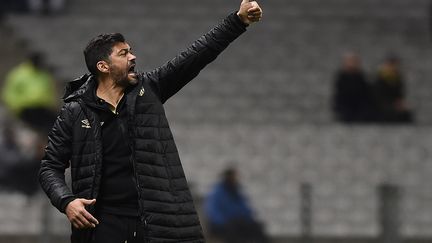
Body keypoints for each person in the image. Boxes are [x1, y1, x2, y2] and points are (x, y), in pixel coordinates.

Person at [38, 1, 263, 242]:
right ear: (103, 66)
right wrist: (67, 201)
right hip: (101, 225)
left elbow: (197, 55)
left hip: (154, 224)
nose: (133, 56)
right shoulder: (75, 111)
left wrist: (238, 21)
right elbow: (50, 166)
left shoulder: (149, 89)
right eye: (123, 53)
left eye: (130, 50)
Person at [204, 168, 269, 243]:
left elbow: (244, 208)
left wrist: (249, 219)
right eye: (234, 176)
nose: (236, 179)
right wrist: (225, 222)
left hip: (237, 222)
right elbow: (212, 211)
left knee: (256, 228)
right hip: (221, 224)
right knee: (233, 232)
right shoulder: (217, 192)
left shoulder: (236, 191)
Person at [1, 52, 58, 133]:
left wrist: (51, 104)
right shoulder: (19, 74)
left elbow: (50, 92)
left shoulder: (44, 75)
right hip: (25, 108)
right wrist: (16, 107)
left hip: (42, 107)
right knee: (38, 128)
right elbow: (9, 92)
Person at [332, 52, 376, 123]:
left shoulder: (361, 76)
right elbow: (340, 96)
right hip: (346, 107)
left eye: (354, 62)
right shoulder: (341, 77)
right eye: (350, 61)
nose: (352, 64)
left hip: (360, 107)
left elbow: (366, 93)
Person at [373, 55, 413, 123]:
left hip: (393, 105)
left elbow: (399, 95)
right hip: (382, 106)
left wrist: (400, 103)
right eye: (391, 65)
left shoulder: (397, 79)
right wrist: (393, 105)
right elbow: (378, 98)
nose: (393, 67)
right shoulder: (380, 79)